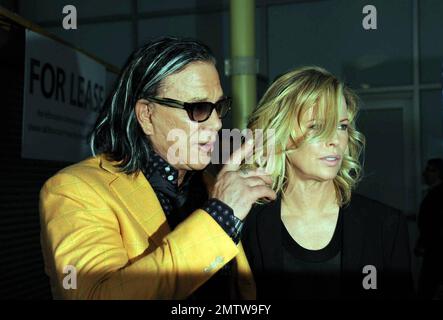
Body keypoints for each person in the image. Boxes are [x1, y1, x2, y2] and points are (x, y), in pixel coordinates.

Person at [39, 37, 276, 300]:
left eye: (219, 107)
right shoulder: (75, 190)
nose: (217, 124)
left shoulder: (212, 185)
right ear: (146, 115)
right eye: (199, 109)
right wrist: (219, 217)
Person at [241, 66, 414, 299]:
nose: (335, 139)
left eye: (342, 126)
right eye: (317, 126)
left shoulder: (385, 226)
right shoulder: (245, 225)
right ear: (278, 132)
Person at [416, 158, 443, 299]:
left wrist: (425, 243)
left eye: (431, 170)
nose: (426, 173)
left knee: (427, 288)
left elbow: (433, 224)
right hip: (434, 248)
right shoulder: (434, 193)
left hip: (436, 250)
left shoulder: (438, 195)